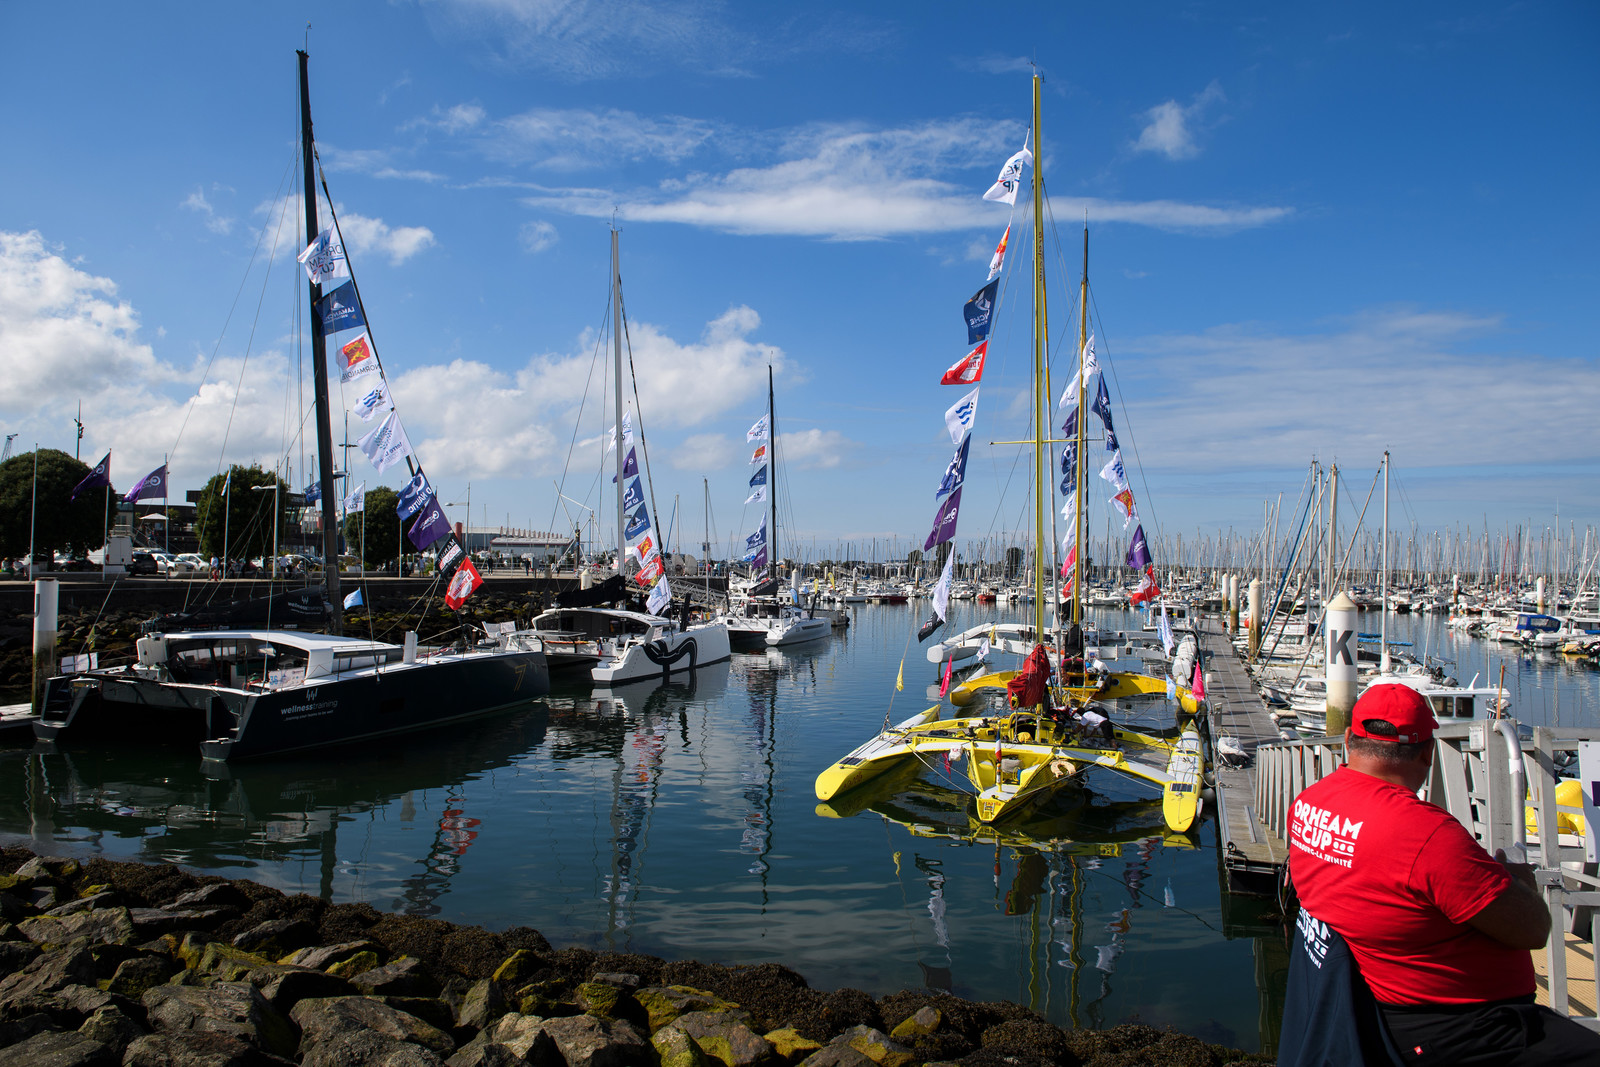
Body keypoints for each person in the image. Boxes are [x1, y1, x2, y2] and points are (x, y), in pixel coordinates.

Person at [1287, 683, 1600, 1063]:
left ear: (1350, 740)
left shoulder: (1308, 803)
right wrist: (1516, 880)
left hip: (1372, 1007)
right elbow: (1534, 929)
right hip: (1460, 1028)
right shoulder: (1423, 834)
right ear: (1428, 752)